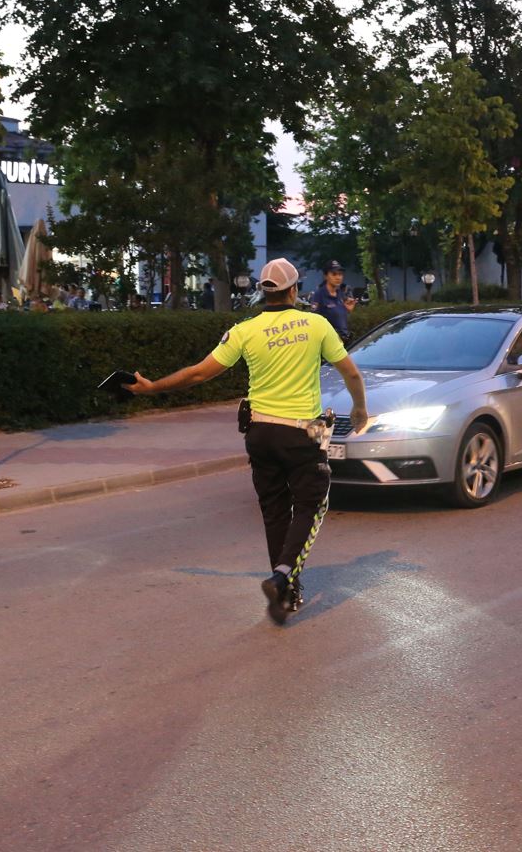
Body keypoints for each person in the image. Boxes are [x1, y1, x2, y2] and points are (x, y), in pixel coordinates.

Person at [125, 257, 369, 625]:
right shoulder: (317, 324)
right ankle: (283, 574)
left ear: (262, 292)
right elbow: (350, 372)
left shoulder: (243, 330)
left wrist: (152, 387)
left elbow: (198, 374)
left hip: (258, 432)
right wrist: (360, 409)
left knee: (274, 512)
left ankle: (285, 592)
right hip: (303, 431)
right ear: (294, 290)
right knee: (312, 505)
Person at [310, 260, 357, 344]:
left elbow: (339, 319)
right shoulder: (319, 295)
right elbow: (315, 322)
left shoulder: (340, 293)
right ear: (326, 276)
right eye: (334, 274)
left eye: (340, 274)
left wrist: (347, 310)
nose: (338, 277)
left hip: (344, 341)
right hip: (330, 345)